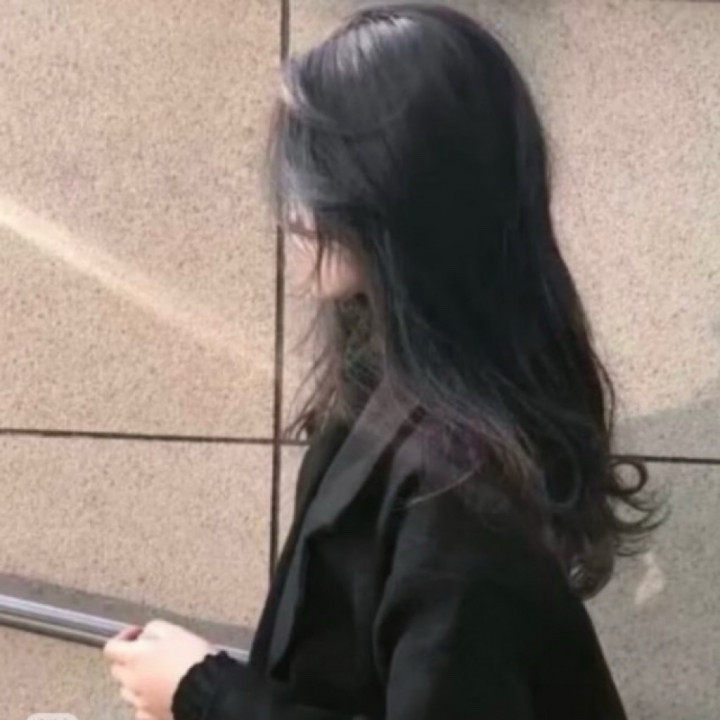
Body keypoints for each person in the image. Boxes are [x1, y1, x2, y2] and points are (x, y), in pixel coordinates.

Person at [103, 5, 657, 719]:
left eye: (317, 175)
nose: (293, 212)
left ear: (405, 190)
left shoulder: (459, 485)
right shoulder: (395, 397)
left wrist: (204, 692)